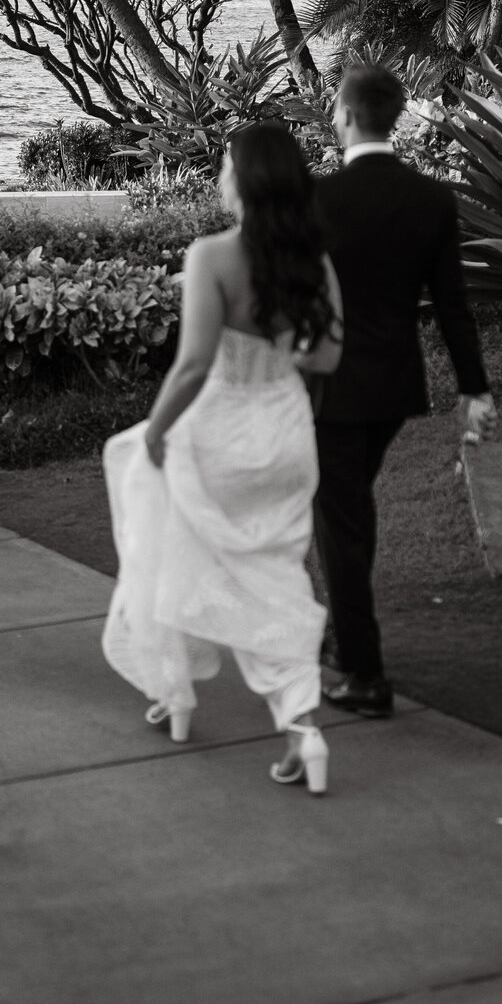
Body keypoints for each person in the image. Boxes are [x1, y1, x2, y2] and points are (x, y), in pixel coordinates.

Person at [102, 122, 344, 795]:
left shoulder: (213, 255)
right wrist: (276, 351)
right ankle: (302, 728)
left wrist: (155, 433)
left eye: (225, 167)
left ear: (246, 180)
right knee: (278, 574)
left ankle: (174, 693)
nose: (218, 178)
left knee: (165, 537)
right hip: (287, 432)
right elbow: (326, 356)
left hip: (220, 431)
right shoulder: (313, 258)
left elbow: (192, 368)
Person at [313, 64, 496, 718]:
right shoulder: (431, 199)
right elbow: (452, 305)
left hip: (328, 390)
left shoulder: (319, 199)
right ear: (392, 117)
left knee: (340, 523)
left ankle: (363, 675)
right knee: (348, 512)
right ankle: (342, 633)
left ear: (344, 113)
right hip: (393, 387)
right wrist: (473, 388)